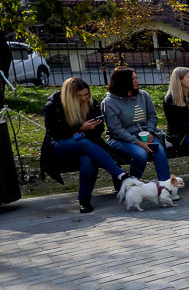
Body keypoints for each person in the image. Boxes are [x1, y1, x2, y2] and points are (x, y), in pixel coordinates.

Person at [39, 78, 130, 213]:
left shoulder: (91, 104)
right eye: (79, 96)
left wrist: (90, 129)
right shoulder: (53, 106)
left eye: (86, 94)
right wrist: (80, 127)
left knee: (87, 158)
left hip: (85, 146)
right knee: (84, 143)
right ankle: (121, 175)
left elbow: (99, 131)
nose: (84, 98)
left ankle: (84, 199)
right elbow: (54, 133)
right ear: (69, 95)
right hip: (59, 147)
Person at [101, 67, 176, 196]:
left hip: (146, 134)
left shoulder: (143, 95)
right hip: (121, 138)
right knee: (141, 154)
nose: (137, 81)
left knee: (159, 151)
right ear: (123, 82)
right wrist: (137, 142)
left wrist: (151, 132)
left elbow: (152, 116)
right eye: (133, 79)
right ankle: (130, 186)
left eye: (136, 78)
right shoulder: (109, 102)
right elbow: (115, 129)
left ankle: (165, 187)